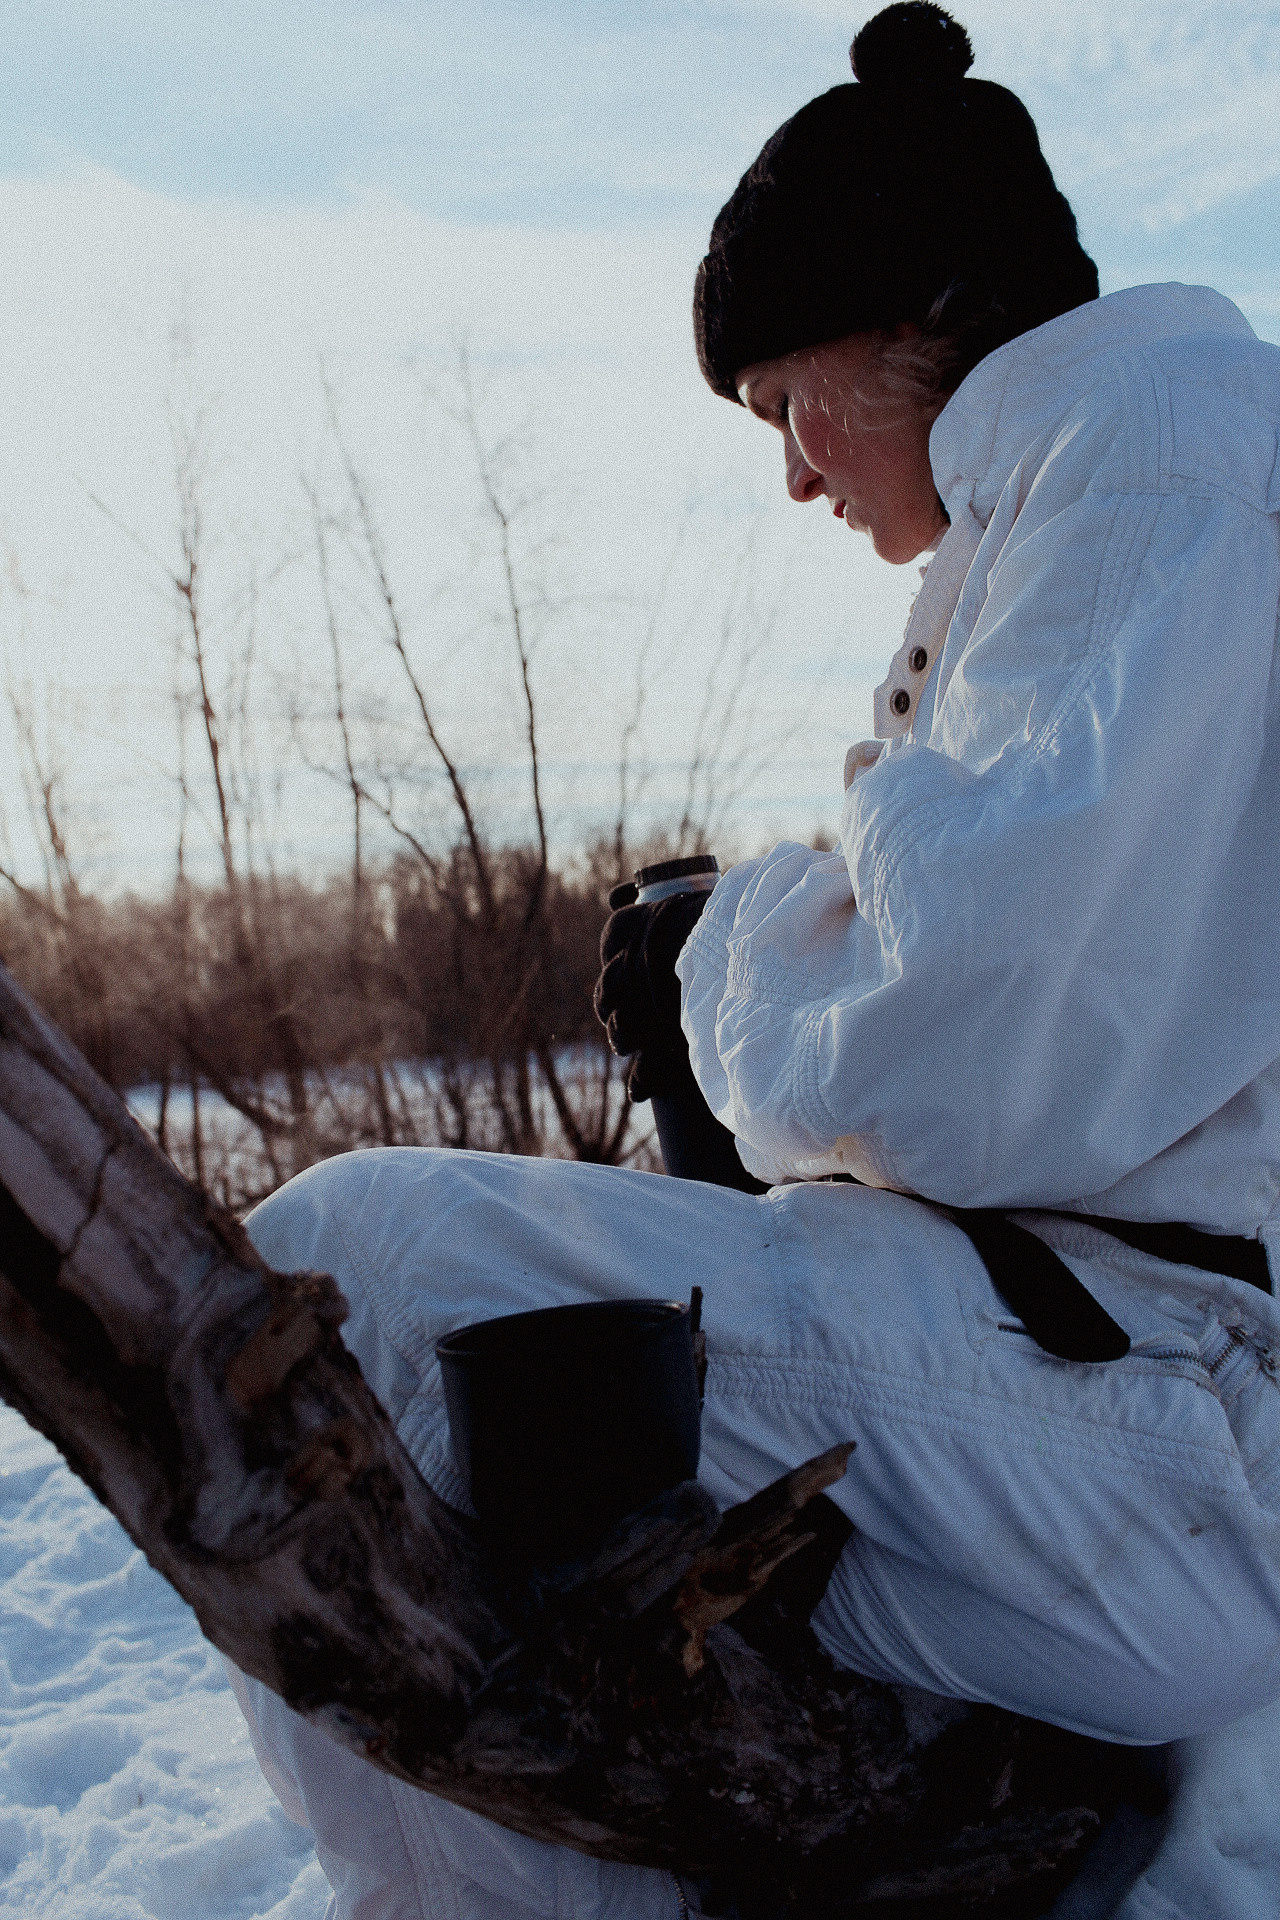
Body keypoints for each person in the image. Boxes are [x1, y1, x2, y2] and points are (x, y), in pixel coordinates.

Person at [231, 5, 1280, 1914]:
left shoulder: (1152, 470)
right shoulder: (1112, 488)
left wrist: (737, 961)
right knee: (523, 1403)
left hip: (1177, 1427)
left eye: (792, 400)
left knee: (341, 1265)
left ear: (928, 319)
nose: (796, 477)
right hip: (1105, 1369)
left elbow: (971, 1045)